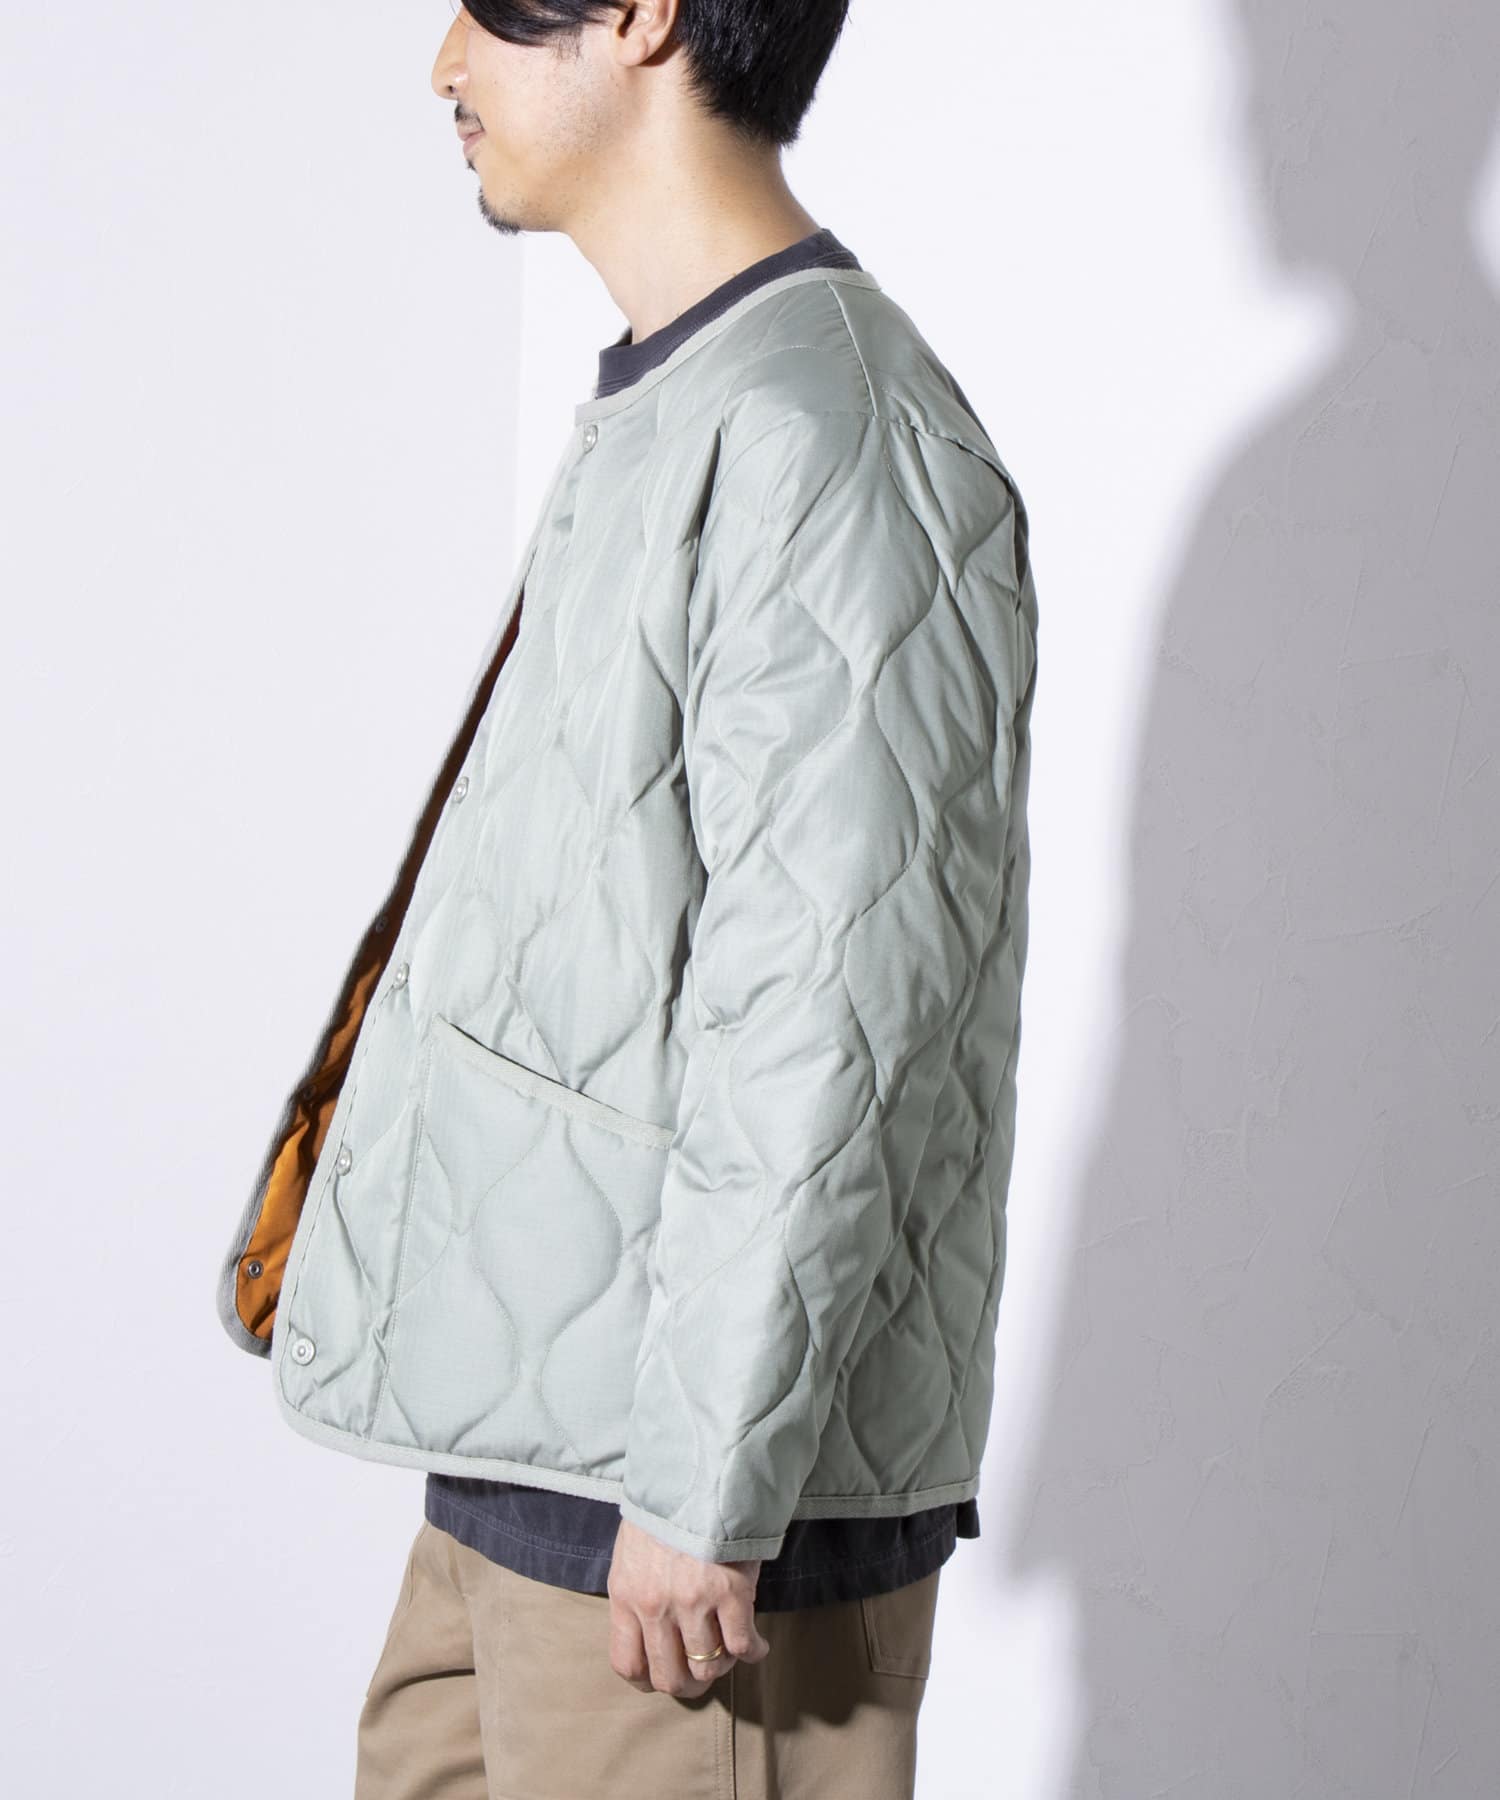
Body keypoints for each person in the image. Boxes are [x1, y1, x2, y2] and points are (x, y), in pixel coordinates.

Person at [215, 3, 1038, 1794]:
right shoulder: (695, 395)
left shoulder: (827, 430)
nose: (445, 60)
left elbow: (828, 1006)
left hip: (680, 1532)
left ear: (647, 14)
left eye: (493, 9)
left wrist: (703, 1485)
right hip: (534, 1467)